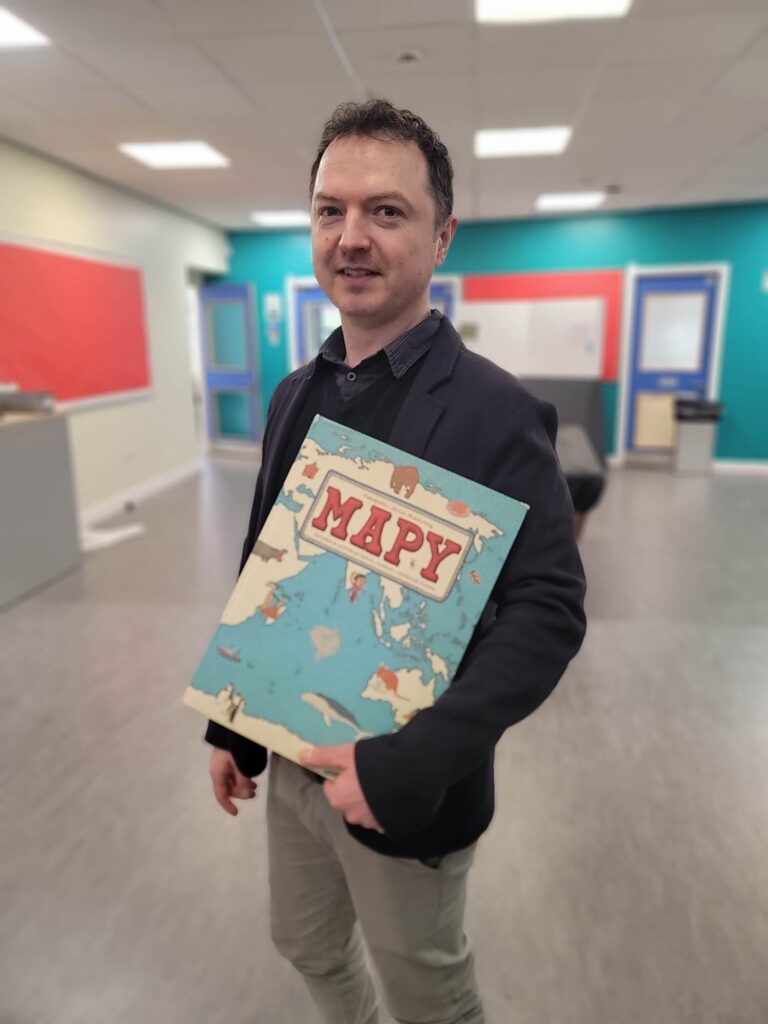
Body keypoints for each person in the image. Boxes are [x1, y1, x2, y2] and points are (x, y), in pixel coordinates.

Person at [204, 99, 587, 1024]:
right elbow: (268, 560)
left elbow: (547, 610)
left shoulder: (499, 415)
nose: (352, 237)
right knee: (305, 945)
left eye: (386, 211)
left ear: (442, 235)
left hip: (406, 786)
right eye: (330, 211)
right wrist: (233, 722)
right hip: (291, 759)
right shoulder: (295, 394)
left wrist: (414, 761)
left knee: (427, 990)